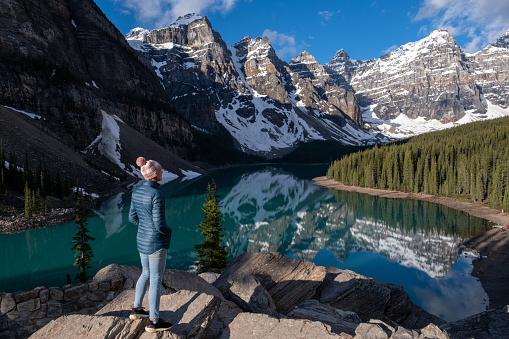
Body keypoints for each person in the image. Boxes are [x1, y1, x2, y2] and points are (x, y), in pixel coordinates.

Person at [128, 156, 173, 333]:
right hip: (156, 243)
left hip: (142, 240)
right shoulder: (157, 195)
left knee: (145, 273)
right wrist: (169, 231)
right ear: (154, 175)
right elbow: (160, 225)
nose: (162, 172)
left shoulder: (136, 192)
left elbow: (132, 218)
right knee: (155, 280)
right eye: (160, 170)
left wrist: (145, 227)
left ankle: (137, 309)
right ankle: (154, 321)